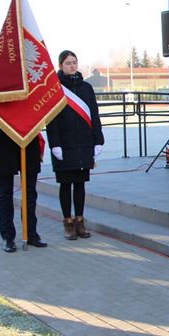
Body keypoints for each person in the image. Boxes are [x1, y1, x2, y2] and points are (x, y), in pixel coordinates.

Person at [46, 50, 104, 240]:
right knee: (65, 184)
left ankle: (80, 221)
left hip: (83, 143)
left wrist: (98, 139)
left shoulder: (86, 88)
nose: (72, 66)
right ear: (61, 65)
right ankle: (68, 223)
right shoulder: (55, 88)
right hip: (64, 145)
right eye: (68, 63)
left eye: (74, 62)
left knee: (80, 184)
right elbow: (51, 119)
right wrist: (55, 144)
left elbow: (94, 115)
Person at [0, 121, 48, 252]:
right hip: (4, 143)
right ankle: (8, 237)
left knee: (30, 193)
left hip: (28, 140)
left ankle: (31, 233)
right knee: (5, 193)